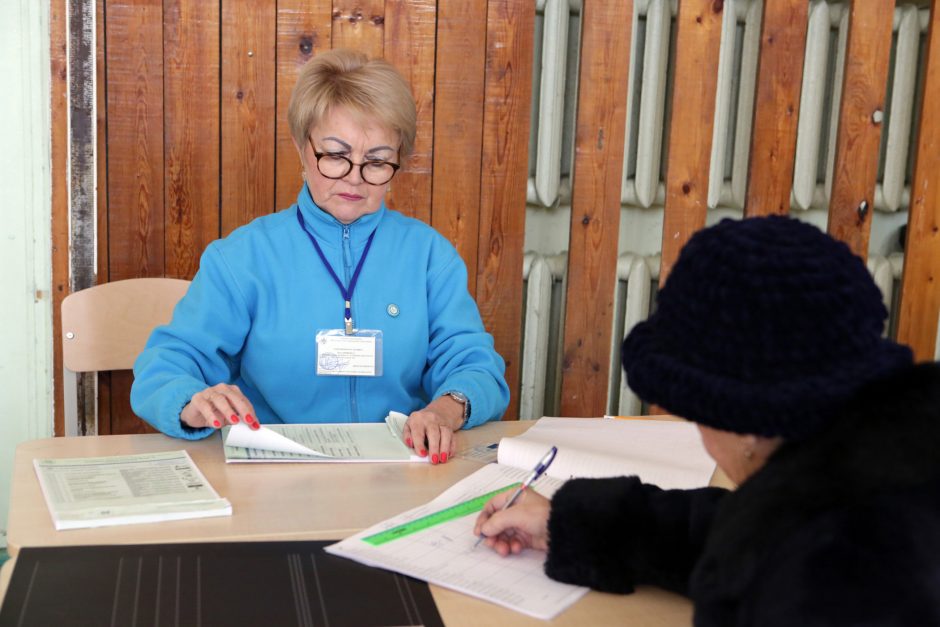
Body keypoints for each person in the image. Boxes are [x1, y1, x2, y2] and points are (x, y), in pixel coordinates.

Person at [474, 215, 940, 624]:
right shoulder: (879, 457)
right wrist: (571, 524)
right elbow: (736, 527)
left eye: (697, 416)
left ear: (746, 423)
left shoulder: (832, 576)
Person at [131, 49, 509, 464]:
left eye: (378, 162)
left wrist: (444, 410)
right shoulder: (242, 258)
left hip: (402, 470)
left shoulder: (429, 256)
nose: (354, 177)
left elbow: (477, 366)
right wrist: (193, 400)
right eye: (335, 155)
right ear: (301, 146)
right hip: (274, 471)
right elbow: (165, 366)